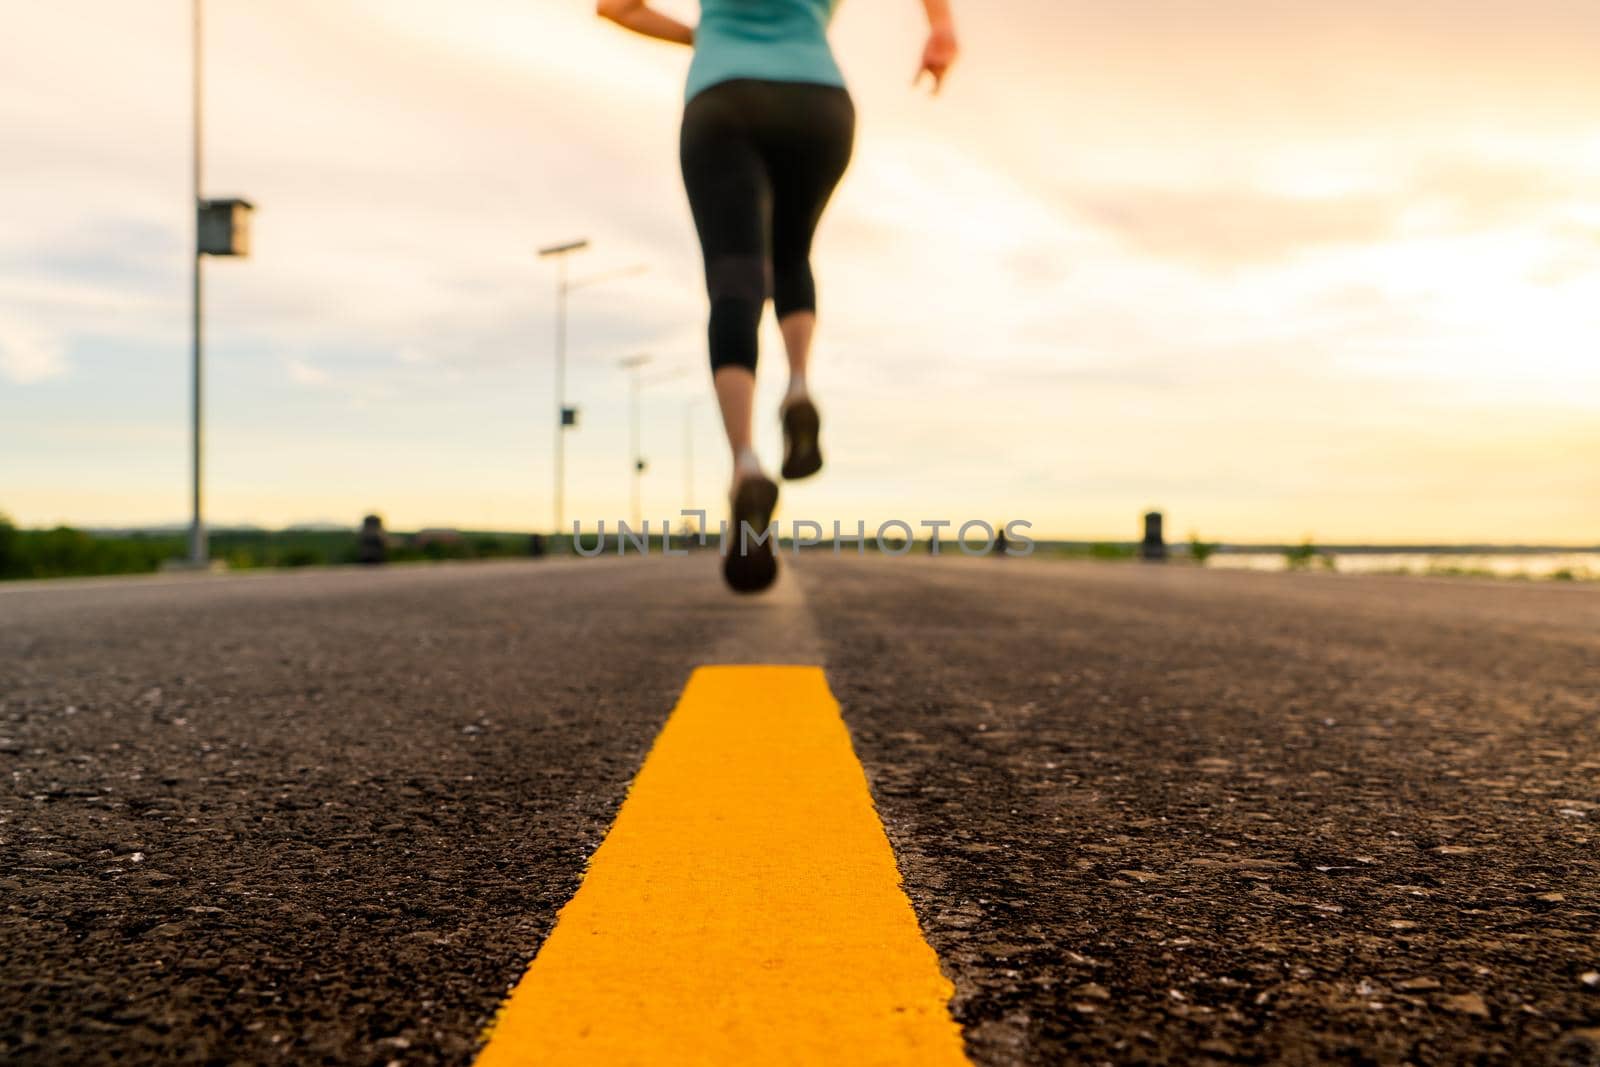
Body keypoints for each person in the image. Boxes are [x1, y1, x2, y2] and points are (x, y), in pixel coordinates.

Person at [597, 0, 959, 593]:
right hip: (818, 100)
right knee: (793, 254)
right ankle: (798, 386)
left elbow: (618, 9)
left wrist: (706, 37)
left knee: (734, 281)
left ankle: (744, 464)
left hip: (725, 96)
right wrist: (941, 30)